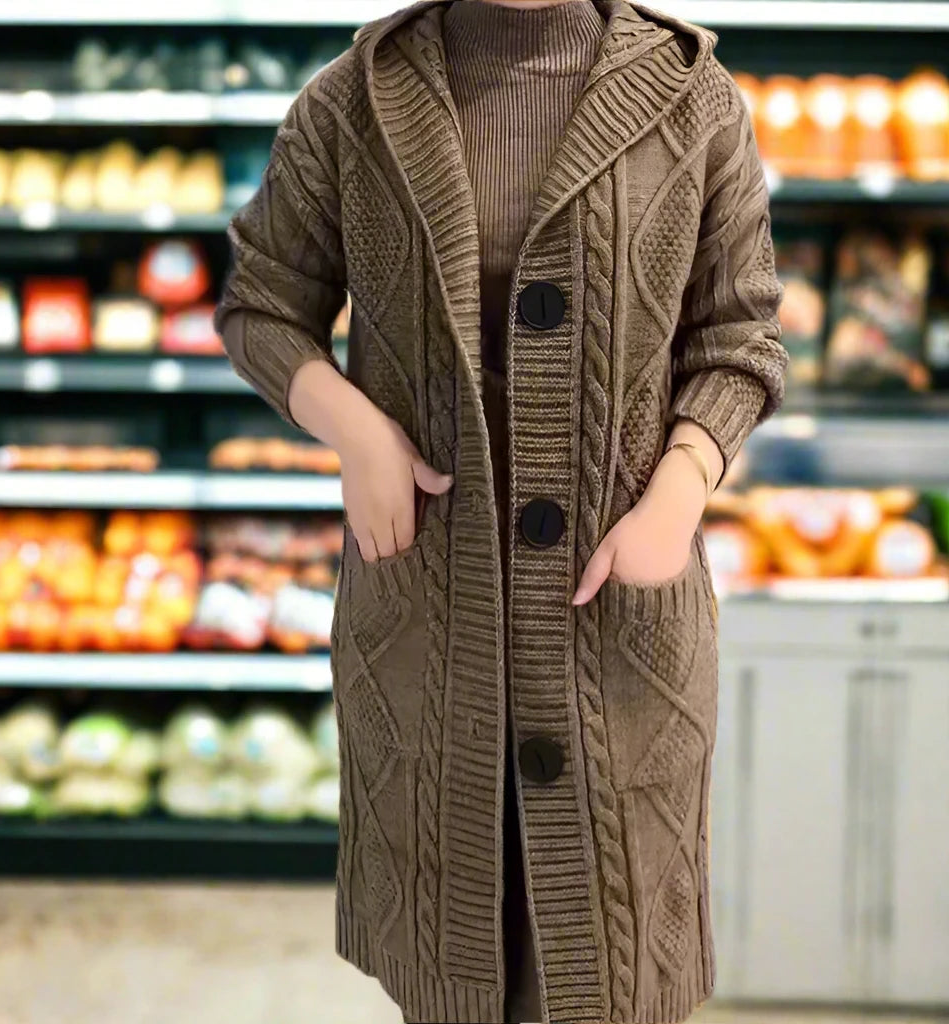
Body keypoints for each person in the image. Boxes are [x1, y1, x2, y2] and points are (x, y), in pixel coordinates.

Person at [215, 0, 788, 1021]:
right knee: (453, 974)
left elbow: (739, 337)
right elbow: (261, 301)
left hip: (617, 628)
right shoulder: (353, 101)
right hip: (431, 627)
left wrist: (678, 491)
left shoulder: (692, 94)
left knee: (608, 973)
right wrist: (356, 431)